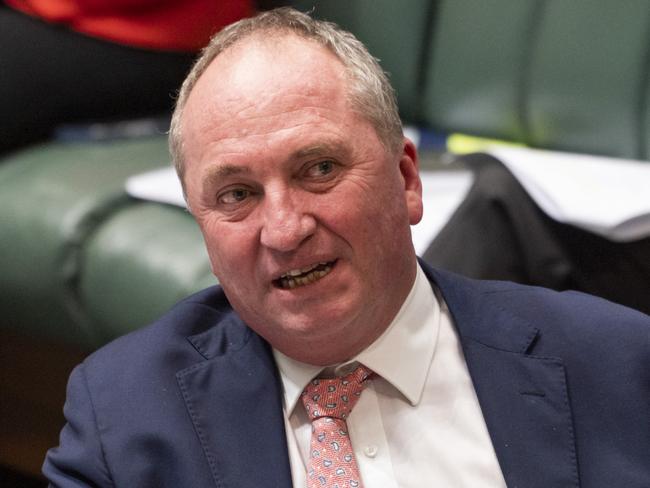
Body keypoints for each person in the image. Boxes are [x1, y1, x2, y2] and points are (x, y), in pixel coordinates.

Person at [43, 8, 650, 488]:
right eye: (236, 194)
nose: (284, 231)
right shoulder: (122, 421)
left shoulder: (615, 366)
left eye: (319, 168)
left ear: (408, 182)